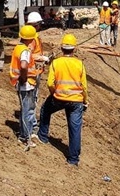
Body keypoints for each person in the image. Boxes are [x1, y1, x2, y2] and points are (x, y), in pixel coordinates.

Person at [36, 34, 88, 166]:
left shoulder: (56, 63)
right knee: (75, 129)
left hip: (58, 97)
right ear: (74, 49)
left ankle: (42, 136)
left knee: (45, 110)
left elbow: (50, 83)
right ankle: (73, 159)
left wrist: (54, 93)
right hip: (76, 101)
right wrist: (85, 100)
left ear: (62, 47)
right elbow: (84, 86)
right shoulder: (79, 64)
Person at [9, 24, 47, 149]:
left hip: (22, 83)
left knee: (26, 110)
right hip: (26, 84)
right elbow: (24, 66)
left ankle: (25, 134)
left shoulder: (18, 48)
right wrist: (24, 78)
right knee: (28, 111)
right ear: (30, 39)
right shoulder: (25, 51)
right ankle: (25, 137)